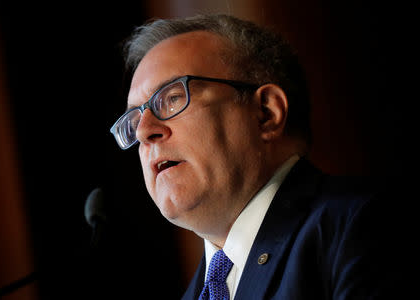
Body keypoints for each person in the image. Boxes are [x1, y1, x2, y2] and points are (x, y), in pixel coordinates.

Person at [111, 14, 402, 299]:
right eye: (134, 121)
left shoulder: (360, 228)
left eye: (173, 98)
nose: (144, 132)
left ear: (266, 113)